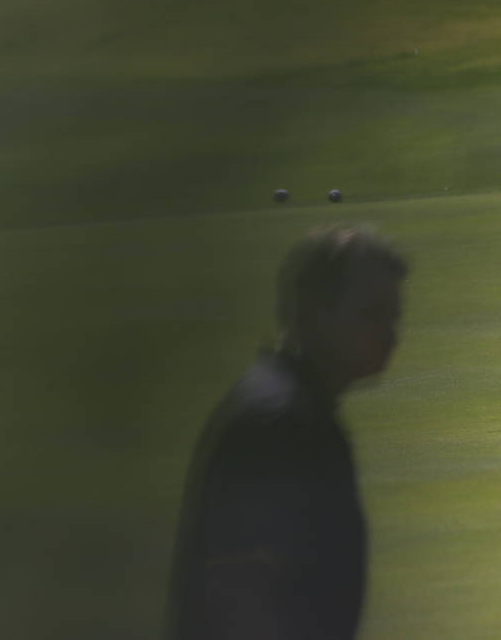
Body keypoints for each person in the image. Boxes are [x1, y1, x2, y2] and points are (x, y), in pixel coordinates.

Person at [166, 225, 407, 640]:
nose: (391, 335)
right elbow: (238, 595)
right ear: (314, 313)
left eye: (394, 316)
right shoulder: (282, 424)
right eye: (371, 313)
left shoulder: (289, 408)